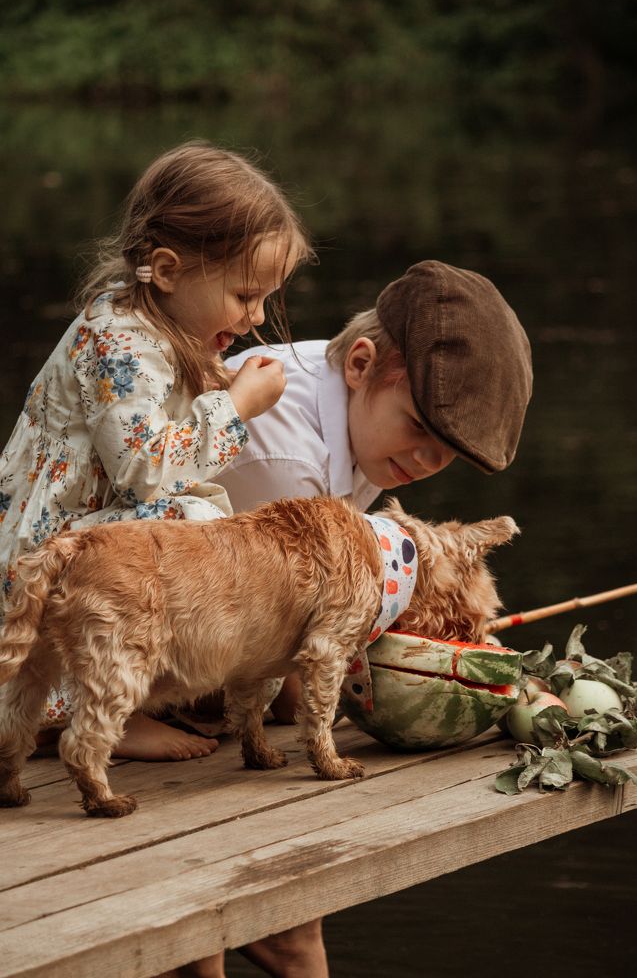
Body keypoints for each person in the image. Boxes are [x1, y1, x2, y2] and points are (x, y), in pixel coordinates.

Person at [179, 259, 532, 975]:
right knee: (298, 718)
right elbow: (272, 627)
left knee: (300, 718)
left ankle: (266, 925)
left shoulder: (362, 416)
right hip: (156, 634)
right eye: (421, 430)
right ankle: (235, 930)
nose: (430, 460)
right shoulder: (283, 452)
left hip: (234, 622)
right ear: (364, 362)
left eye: (450, 454)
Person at [0, 140, 311, 763]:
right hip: (43, 555)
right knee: (195, 531)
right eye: (245, 295)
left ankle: (140, 694)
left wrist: (215, 381)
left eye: (264, 301)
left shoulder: (164, 325)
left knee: (205, 535)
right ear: (167, 271)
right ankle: (107, 712)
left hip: (84, 541)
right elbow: (143, 470)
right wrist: (237, 405)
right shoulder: (119, 340)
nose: (253, 319)